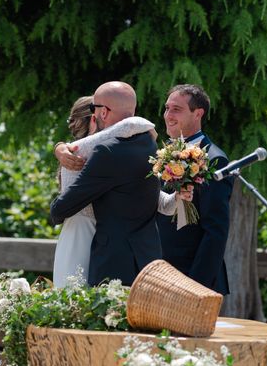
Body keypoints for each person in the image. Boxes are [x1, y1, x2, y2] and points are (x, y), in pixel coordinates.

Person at [52, 94, 185, 288]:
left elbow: (60, 209)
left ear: (100, 113)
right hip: (89, 237)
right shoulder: (146, 143)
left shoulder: (106, 151)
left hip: (104, 245)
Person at [158, 84, 234, 295]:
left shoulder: (214, 159)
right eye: (167, 108)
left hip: (191, 278)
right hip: (160, 275)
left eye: (176, 109)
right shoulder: (163, 153)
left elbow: (216, 230)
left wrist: (195, 286)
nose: (168, 115)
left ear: (198, 113)